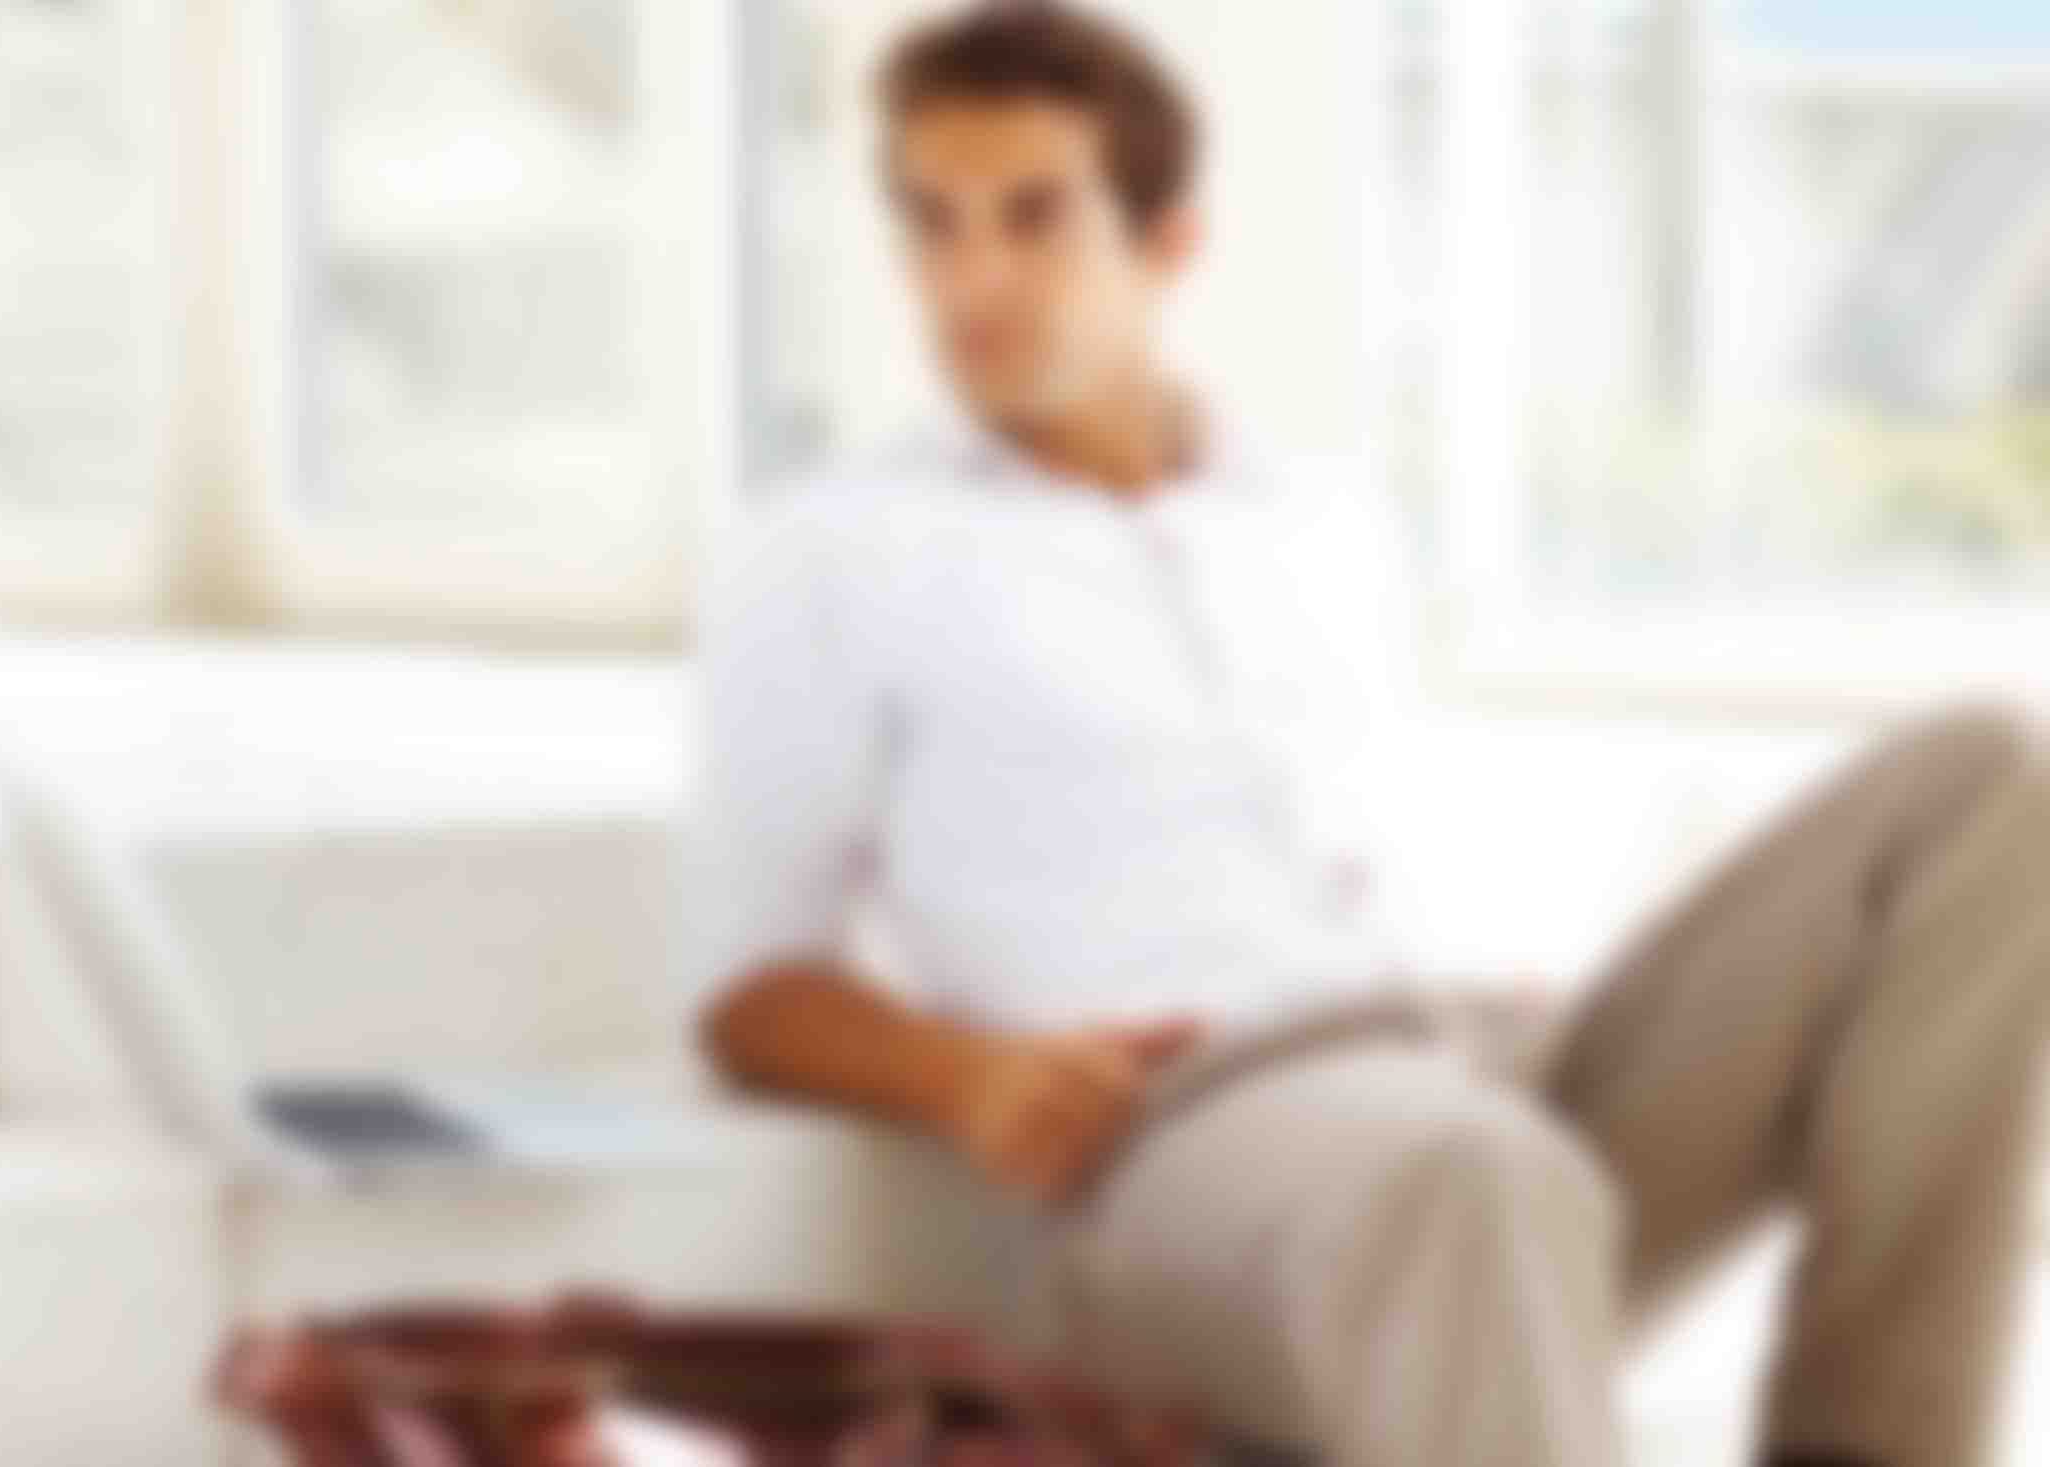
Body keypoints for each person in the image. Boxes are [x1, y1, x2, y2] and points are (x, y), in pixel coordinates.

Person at [677, 6, 2050, 1465]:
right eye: (933, 225)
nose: (973, 279)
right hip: (1193, 1146)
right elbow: (752, 999)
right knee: (1473, 1174)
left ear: (1168, 241)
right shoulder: (830, 552)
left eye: (1034, 216)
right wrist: (966, 1076)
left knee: (1989, 782)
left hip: (1481, 1073)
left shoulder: (1319, 522)